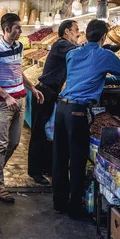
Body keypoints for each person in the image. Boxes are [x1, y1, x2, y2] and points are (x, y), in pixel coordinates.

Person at [52, 19, 120, 217]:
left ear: (86, 34)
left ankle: (59, 202)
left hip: (61, 108)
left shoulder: (72, 53)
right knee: (78, 159)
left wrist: (99, 77)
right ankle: (74, 207)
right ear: (104, 36)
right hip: (78, 111)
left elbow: (80, 76)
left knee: (60, 157)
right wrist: (107, 78)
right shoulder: (105, 55)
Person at [0, 12, 45, 203]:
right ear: (7, 29)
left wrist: (32, 88)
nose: (20, 31)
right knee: (1, 144)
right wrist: (6, 96)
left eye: (20, 27)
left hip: (20, 100)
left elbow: (18, 72)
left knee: (14, 143)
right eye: (17, 28)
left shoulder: (19, 47)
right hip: (4, 104)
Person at [27, 20, 80, 186]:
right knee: (39, 133)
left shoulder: (64, 45)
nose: (79, 33)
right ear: (66, 32)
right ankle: (35, 172)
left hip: (52, 92)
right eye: (76, 30)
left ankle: (46, 167)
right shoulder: (61, 44)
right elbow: (79, 53)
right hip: (44, 93)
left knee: (49, 132)